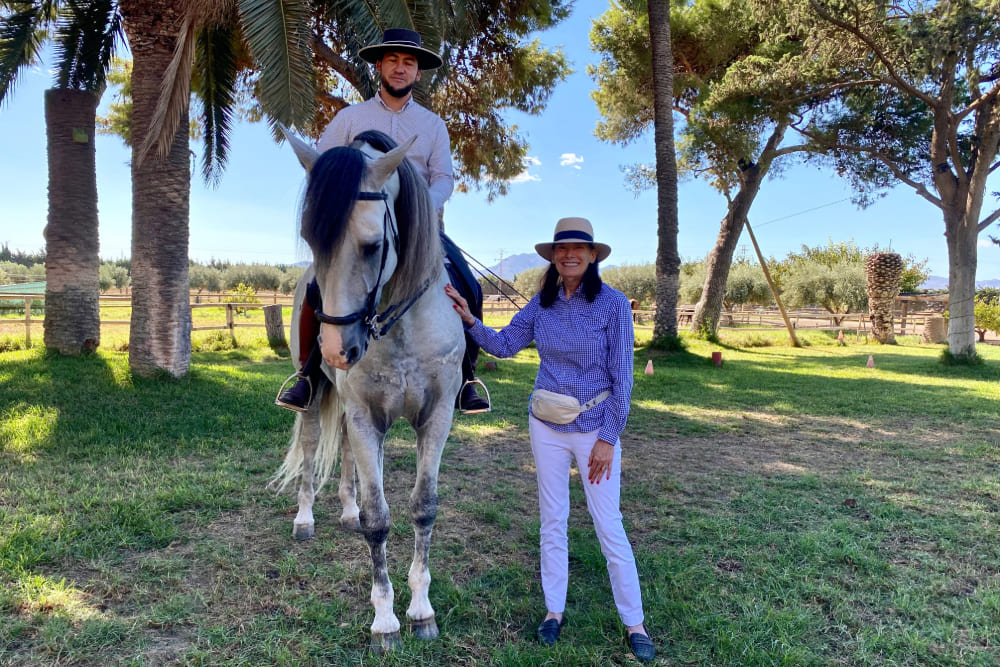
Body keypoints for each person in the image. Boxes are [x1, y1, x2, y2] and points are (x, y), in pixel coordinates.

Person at [445, 217, 655, 662]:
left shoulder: (614, 305)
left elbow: (624, 378)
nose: (570, 255)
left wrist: (608, 438)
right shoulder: (541, 306)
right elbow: (502, 346)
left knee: (608, 524)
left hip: (596, 428)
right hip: (546, 426)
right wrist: (468, 319)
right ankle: (553, 611)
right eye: (562, 249)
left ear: (593, 255)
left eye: (579, 248)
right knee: (552, 519)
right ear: (553, 256)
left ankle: (634, 622)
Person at [275, 27, 490, 414]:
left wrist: (423, 208)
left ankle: (468, 376)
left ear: (418, 73)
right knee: (313, 288)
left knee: (468, 285)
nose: (400, 68)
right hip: (360, 230)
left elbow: (443, 178)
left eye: (409, 62)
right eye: (392, 60)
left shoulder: (432, 126)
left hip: (421, 234)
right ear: (379, 65)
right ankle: (308, 373)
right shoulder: (349, 119)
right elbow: (322, 169)